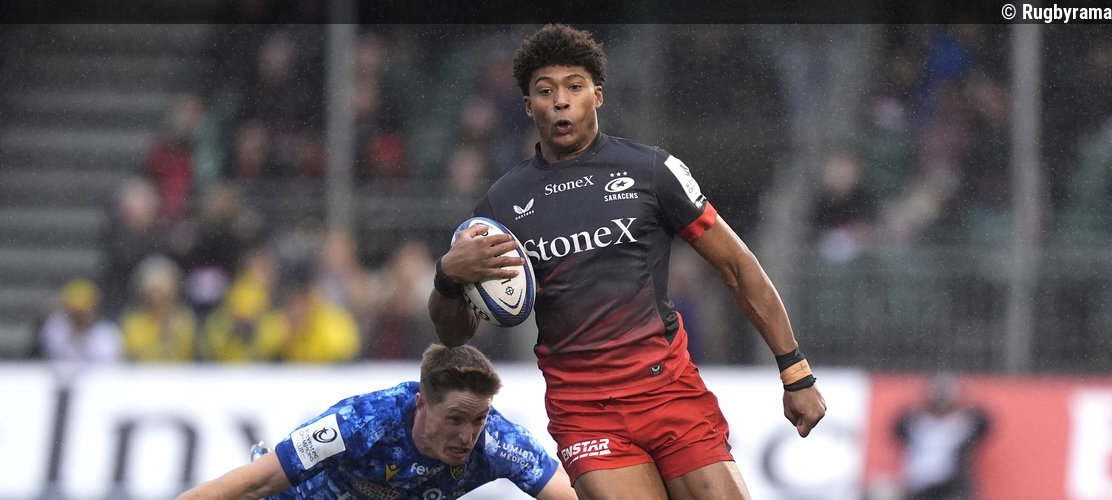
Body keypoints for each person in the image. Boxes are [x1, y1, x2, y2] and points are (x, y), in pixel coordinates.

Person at [428, 24, 827, 499]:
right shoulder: (502, 206)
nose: (561, 101)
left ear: (597, 95)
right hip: (585, 410)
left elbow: (737, 266)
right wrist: (447, 277)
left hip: (669, 390)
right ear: (528, 106)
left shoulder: (651, 171)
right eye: (545, 91)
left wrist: (795, 370)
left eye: (574, 87)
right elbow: (455, 334)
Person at [177, 343, 576, 499]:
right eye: (455, 418)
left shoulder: (498, 442)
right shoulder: (361, 422)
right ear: (422, 404)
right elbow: (254, 482)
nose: (467, 435)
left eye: (479, 419)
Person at [893, 373, 991, 500]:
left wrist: (969, 401)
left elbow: (985, 424)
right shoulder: (917, 422)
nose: (941, 404)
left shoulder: (963, 422)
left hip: (950, 486)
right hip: (919, 485)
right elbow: (896, 427)